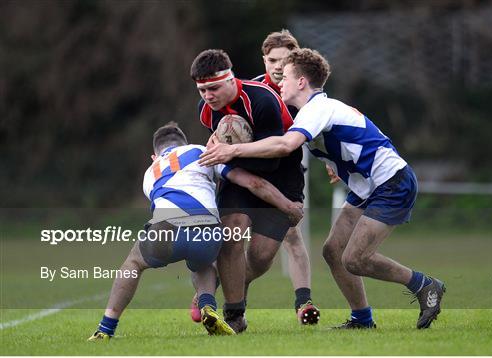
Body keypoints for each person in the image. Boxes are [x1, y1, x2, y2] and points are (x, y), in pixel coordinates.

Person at [199, 48, 446, 330]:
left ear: (302, 82)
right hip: (366, 187)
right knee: (332, 251)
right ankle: (362, 319)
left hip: (391, 182)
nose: (280, 82)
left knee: (354, 258)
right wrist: (336, 161)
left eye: (286, 77)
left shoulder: (318, 108)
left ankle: (425, 285)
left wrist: (232, 150)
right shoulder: (313, 111)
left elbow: (285, 145)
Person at [88, 122, 303, 340]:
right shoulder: (202, 152)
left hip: (168, 226)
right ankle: (208, 306)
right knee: (203, 263)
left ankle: (106, 328)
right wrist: (287, 205)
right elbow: (252, 183)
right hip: (208, 229)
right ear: (185, 143)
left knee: (133, 263)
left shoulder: (150, 172)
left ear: (155, 155)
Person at [189, 49, 307, 332]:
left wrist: (230, 153)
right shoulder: (206, 110)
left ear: (231, 79)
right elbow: (220, 153)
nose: (208, 95)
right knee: (232, 234)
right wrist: (226, 160)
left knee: (260, 257)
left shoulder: (262, 100)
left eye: (214, 87)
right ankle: (234, 315)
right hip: (240, 177)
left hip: (281, 177)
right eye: (202, 90)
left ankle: (220, 282)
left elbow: (273, 158)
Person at [252, 30, 319, 323]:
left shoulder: (302, 91)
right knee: (238, 239)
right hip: (250, 173)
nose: (278, 66)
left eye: (285, 60)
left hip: (288, 170)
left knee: (292, 235)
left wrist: (332, 162)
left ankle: (304, 303)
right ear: (264, 60)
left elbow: (325, 125)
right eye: (272, 60)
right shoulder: (251, 91)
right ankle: (208, 293)